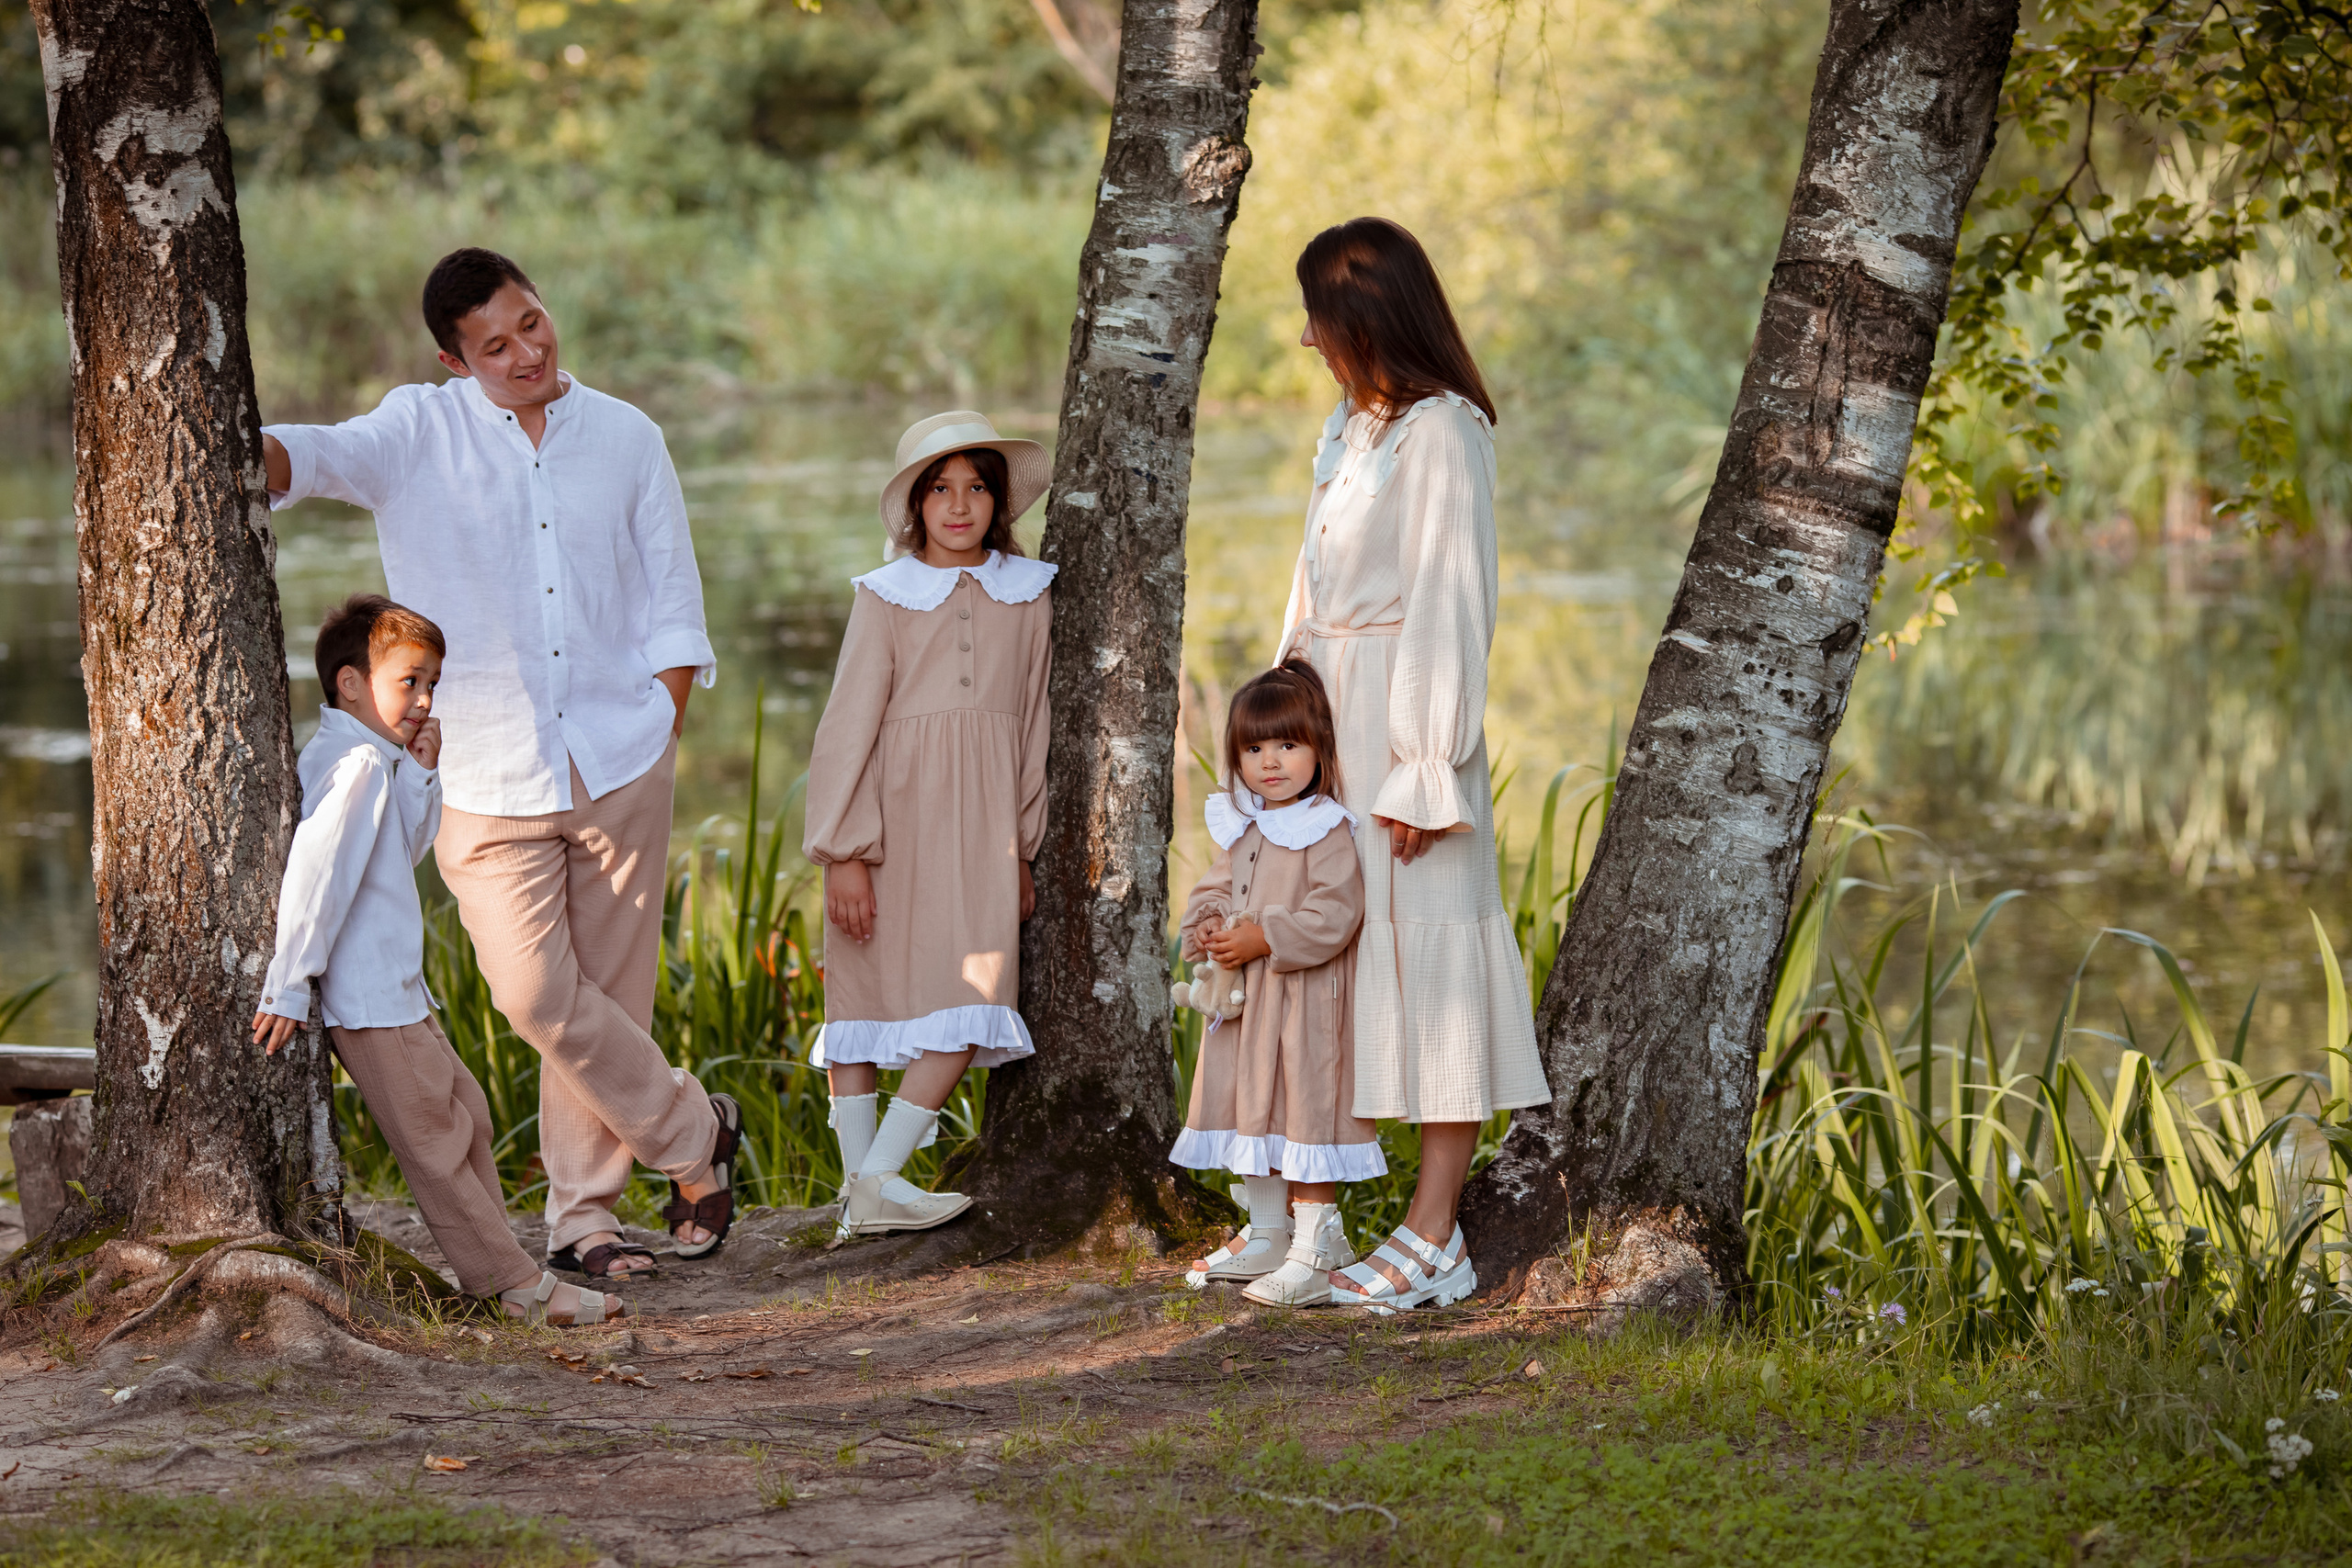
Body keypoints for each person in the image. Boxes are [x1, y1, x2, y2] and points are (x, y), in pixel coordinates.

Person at [260, 249, 739, 1284]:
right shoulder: (415, 432)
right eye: (494, 345)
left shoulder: (627, 435)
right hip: (481, 775)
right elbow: (315, 456)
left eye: (531, 323)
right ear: (454, 359)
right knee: (534, 996)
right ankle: (695, 1130)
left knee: (611, 996)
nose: (526, 353)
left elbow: (674, 596)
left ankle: (584, 1221)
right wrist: (209, 435)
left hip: (618, 756)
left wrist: (662, 718)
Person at [1275, 217, 1552, 1312]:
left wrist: (1425, 766)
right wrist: (1285, 716)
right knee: (1333, 954)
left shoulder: (1443, 432)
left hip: (1403, 727)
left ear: (1364, 318)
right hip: (1332, 721)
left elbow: (1451, 598)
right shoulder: (1351, 427)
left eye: (1317, 317)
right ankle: (1313, 1219)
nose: (1306, 340)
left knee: (1432, 962)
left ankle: (1435, 1234)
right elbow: (1308, 587)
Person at [252, 595, 625, 1325]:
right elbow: (318, 877)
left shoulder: (370, 759)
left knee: (470, 1113)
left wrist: (422, 774)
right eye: (409, 681)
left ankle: (504, 1268)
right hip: (369, 999)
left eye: (431, 684)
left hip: (398, 991)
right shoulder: (356, 764)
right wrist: (289, 985)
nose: (424, 699)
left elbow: (399, 850)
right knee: (436, 1138)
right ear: (351, 683)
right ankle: (512, 1286)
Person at [802, 412, 1055, 1235]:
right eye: (940, 489)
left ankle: (874, 1182)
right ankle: (863, 1200)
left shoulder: (1028, 594)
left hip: (983, 829)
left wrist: (1022, 847)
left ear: (998, 500)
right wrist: (844, 851)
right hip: (886, 820)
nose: (959, 505)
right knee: (862, 998)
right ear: (915, 503)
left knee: (974, 991)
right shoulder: (885, 596)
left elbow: (1033, 726)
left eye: (976, 487)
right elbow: (847, 728)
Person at [1172, 659, 1384, 1307]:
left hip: (1301, 1004)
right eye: (1254, 749)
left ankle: (1316, 1246)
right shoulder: (1246, 825)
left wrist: (1267, 937)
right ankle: (1269, 1230)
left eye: (1288, 745)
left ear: (1319, 749)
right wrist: (1209, 925)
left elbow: (1337, 911)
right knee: (1251, 1107)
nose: (1270, 762)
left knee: (1303, 1110)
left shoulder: (1326, 827)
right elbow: (1215, 887)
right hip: (1247, 1002)